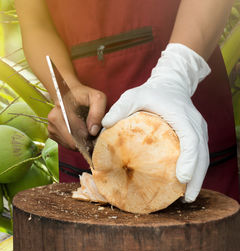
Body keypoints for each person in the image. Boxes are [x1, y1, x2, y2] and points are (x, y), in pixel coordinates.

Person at [14, 0, 240, 202]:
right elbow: (35, 22)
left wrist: (177, 73)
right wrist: (67, 89)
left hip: (187, 112)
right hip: (89, 139)